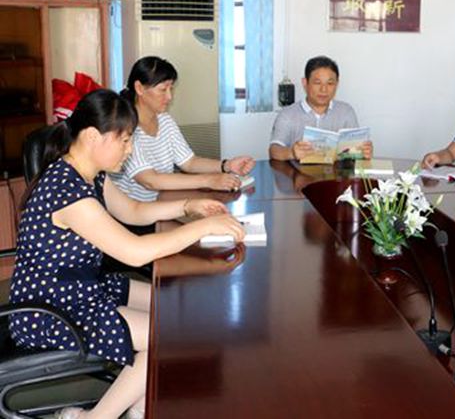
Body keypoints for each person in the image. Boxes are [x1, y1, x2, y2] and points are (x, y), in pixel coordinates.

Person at [9, 89, 244, 419]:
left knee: (177, 312)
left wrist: (189, 206)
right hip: (51, 308)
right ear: (93, 136)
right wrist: (203, 228)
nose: (130, 148)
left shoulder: (87, 174)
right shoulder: (67, 193)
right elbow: (134, 253)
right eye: (125, 139)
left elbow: (133, 210)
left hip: (80, 287)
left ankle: (136, 406)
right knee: (169, 338)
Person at [114, 56, 255, 203]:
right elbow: (151, 180)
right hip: (136, 211)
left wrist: (227, 165)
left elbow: (189, 162)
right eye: (163, 89)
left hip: (162, 203)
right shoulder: (125, 128)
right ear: (139, 88)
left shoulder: (165, 120)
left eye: (171, 89)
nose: (169, 97)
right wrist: (209, 180)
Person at [269, 56, 373, 161]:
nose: (324, 89)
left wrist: (363, 151)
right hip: (298, 171)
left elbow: (356, 149)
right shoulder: (287, 114)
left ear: (337, 84)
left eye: (330, 83)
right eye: (317, 83)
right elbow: (274, 150)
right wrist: (292, 153)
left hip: (336, 171)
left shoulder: (346, 112)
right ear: (305, 83)